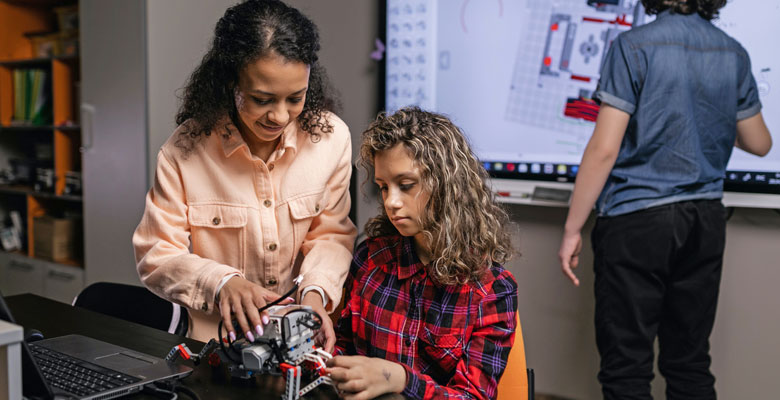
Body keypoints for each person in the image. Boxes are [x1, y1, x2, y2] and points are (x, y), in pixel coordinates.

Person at [558, 0, 772, 399]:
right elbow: (760, 143)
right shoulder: (733, 51)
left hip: (636, 222)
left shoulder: (632, 46)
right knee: (689, 362)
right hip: (704, 222)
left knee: (627, 367)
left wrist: (572, 228)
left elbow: (604, 150)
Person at [132, 0, 357, 350]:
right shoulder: (183, 153)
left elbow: (331, 235)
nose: (280, 116)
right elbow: (156, 255)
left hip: (300, 341)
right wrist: (221, 283)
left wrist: (314, 295)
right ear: (228, 82)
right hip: (215, 348)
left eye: (295, 98)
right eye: (262, 99)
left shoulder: (331, 139)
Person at [326, 107, 518, 399]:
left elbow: (472, 396)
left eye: (406, 186)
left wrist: (400, 379)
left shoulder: (492, 291)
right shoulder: (370, 259)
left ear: (446, 184)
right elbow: (343, 346)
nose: (391, 202)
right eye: (383, 187)